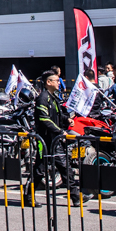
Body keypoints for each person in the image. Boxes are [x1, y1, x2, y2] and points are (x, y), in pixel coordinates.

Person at [35, 72, 82, 206]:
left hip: (54, 140)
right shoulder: (43, 98)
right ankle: (28, 196)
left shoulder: (53, 97)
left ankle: (76, 197)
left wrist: (67, 120)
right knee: (39, 170)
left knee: (65, 167)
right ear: (48, 82)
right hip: (45, 140)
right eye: (56, 80)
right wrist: (61, 131)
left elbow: (57, 114)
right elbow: (44, 119)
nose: (59, 83)